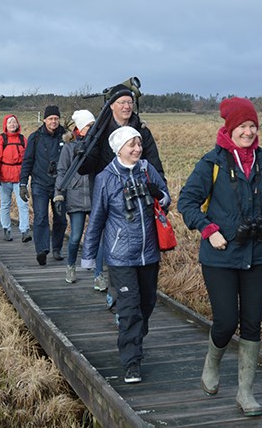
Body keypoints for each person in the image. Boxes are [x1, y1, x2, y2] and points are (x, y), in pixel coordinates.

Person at [177, 97, 262, 417]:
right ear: (230, 129)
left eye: (253, 126)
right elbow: (186, 201)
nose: (248, 131)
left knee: (252, 324)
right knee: (227, 321)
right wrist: (208, 228)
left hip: (257, 254)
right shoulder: (212, 163)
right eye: (243, 126)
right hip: (221, 255)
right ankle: (211, 364)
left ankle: (245, 392)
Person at [81, 126, 170, 384]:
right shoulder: (106, 178)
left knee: (147, 305)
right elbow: (97, 218)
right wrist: (88, 255)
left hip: (149, 253)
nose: (137, 149)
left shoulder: (146, 169)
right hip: (120, 255)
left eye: (139, 144)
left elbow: (167, 198)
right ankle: (132, 362)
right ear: (119, 148)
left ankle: (132, 340)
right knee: (130, 311)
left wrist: (160, 195)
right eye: (131, 145)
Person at [78, 83, 166, 310]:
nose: (127, 107)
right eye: (122, 103)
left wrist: (160, 190)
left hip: (138, 197)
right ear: (112, 106)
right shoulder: (101, 129)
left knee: (134, 244)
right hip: (109, 193)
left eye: (130, 102)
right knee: (112, 241)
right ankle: (113, 289)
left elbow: (153, 163)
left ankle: (127, 297)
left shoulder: (141, 131)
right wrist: (82, 150)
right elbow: (86, 166)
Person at [54, 110, 107, 289]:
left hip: (95, 197)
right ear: (79, 127)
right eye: (88, 126)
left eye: (93, 126)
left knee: (98, 238)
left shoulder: (97, 146)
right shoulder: (69, 147)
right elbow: (62, 171)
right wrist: (59, 193)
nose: (92, 129)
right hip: (75, 198)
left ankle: (98, 275)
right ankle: (70, 267)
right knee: (75, 237)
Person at [20, 105, 67, 266]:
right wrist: (22, 183)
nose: (54, 121)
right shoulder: (35, 137)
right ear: (45, 120)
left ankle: (57, 248)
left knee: (60, 218)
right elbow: (27, 160)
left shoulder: (66, 137)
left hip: (59, 184)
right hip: (39, 183)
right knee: (40, 217)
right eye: (51, 118)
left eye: (56, 118)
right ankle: (41, 250)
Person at [0, 113, 32, 242]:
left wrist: (28, 173)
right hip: (4, 176)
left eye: (14, 122)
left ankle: (25, 231)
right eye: (10, 122)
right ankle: (6, 229)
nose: (12, 124)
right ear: (5, 125)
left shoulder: (22, 139)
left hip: (19, 176)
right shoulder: (1, 139)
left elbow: (28, 157)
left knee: (23, 204)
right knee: (5, 204)